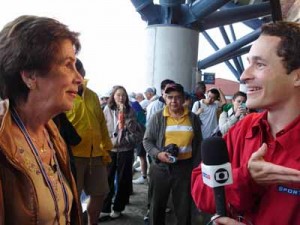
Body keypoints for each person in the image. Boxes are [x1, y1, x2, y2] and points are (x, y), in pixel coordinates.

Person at [191, 21, 300, 225]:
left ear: (297, 76)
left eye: (259, 64)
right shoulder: (245, 128)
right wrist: (245, 178)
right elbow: (199, 189)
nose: (243, 75)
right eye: (248, 62)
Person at [0, 15, 82, 224]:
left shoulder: (51, 134)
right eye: (67, 64)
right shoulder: (3, 143)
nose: (78, 78)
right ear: (30, 76)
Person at [144, 83, 202, 225]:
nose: (173, 101)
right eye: (170, 97)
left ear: (183, 99)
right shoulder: (158, 117)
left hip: (184, 168)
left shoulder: (193, 118)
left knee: (183, 207)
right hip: (161, 168)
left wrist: (196, 167)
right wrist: (158, 154)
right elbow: (147, 141)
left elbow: (199, 143)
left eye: (177, 97)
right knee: (157, 206)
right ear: (165, 98)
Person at [66, 58, 113, 225]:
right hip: (73, 157)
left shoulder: (92, 95)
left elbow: (101, 123)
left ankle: (93, 222)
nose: (79, 78)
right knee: (72, 197)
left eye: (81, 74)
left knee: (100, 193)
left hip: (96, 155)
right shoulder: (62, 95)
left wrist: (107, 149)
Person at [102, 85, 144, 219]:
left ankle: (118, 207)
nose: (121, 97)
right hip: (110, 149)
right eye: (118, 95)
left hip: (125, 149)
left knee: (123, 179)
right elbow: (103, 127)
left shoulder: (130, 110)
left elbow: (134, 130)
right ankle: (105, 208)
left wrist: (125, 116)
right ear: (113, 96)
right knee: (107, 178)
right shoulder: (107, 109)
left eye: (123, 95)